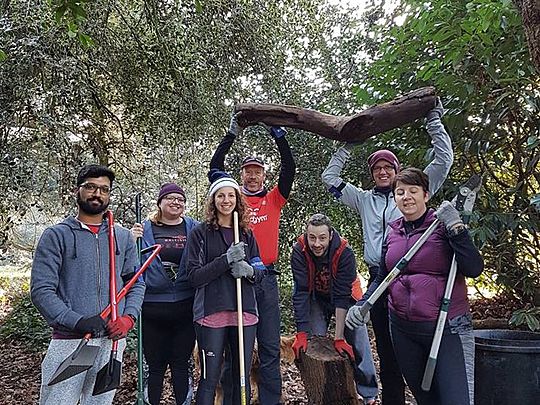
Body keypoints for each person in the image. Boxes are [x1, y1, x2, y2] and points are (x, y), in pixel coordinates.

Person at [321, 98, 455, 405]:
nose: (383, 172)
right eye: (377, 168)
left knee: (420, 344)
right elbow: (330, 179)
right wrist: (347, 144)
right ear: (372, 174)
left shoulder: (411, 191)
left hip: (415, 275)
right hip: (378, 275)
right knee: (386, 347)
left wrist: (433, 121)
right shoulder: (363, 199)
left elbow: (443, 161)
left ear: (396, 171)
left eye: (387, 167)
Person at [346, 168, 483, 405]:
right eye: (400, 192)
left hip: (447, 327)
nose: (406, 197)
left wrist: (458, 229)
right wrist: (362, 305)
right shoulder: (393, 231)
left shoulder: (442, 225)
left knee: (455, 399)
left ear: (426, 195)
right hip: (403, 330)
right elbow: (383, 276)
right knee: (425, 399)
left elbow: (473, 268)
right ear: (395, 198)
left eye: (413, 191)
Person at [31, 164, 143, 405]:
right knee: (57, 402)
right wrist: (76, 320)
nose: (97, 194)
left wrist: (128, 318)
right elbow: (41, 290)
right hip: (69, 342)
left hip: (110, 343)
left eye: (104, 189)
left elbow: (135, 283)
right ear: (77, 190)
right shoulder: (56, 235)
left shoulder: (122, 237)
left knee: (101, 403)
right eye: (91, 187)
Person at [209, 114, 296, 404]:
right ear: (242, 175)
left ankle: (270, 401)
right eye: (247, 171)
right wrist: (231, 133)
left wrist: (278, 133)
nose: (252, 175)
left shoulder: (274, 198)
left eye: (257, 171)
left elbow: (290, 168)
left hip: (266, 279)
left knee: (270, 346)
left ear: (263, 176)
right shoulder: (234, 200)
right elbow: (215, 168)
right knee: (236, 348)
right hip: (235, 280)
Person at [186, 170, 266, 405]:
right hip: (211, 313)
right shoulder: (200, 234)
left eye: (231, 195)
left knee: (240, 377)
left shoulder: (247, 234)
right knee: (209, 378)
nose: (226, 201)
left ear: (237, 199)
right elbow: (193, 277)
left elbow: (260, 272)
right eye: (220, 196)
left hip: (244, 313)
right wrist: (225, 260)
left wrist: (250, 271)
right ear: (213, 200)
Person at [290, 213, 379, 404]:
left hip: (346, 299)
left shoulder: (344, 252)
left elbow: (341, 296)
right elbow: (301, 292)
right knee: (315, 345)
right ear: (306, 235)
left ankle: (368, 393)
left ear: (330, 235)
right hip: (316, 298)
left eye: (322, 238)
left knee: (359, 338)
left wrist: (339, 337)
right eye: (312, 237)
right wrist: (301, 332)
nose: (317, 244)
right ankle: (320, 392)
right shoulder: (299, 250)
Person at [130, 183, 199, 405]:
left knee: (181, 363)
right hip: (151, 308)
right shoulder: (143, 229)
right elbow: (126, 262)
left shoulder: (194, 228)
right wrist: (131, 241)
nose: (176, 202)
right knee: (155, 365)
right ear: (159, 202)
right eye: (170, 197)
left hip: (185, 306)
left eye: (180, 199)